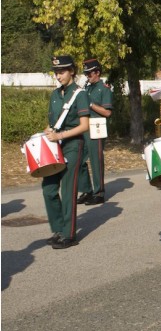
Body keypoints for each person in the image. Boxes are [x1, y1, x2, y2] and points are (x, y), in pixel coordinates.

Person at [43, 56, 90, 249]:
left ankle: (69, 235)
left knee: (68, 189)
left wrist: (60, 134)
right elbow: (53, 122)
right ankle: (58, 228)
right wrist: (47, 132)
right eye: (56, 72)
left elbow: (84, 126)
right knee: (48, 188)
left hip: (73, 144)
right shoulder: (55, 94)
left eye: (62, 71)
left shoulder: (80, 94)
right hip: (56, 145)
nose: (58, 75)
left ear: (72, 71)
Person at [76, 59, 113, 206]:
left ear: (97, 72)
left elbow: (107, 112)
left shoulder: (104, 89)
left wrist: (90, 104)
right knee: (79, 159)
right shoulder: (87, 87)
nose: (87, 76)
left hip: (96, 127)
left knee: (96, 161)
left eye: (89, 73)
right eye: (85, 73)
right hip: (84, 127)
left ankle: (99, 193)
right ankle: (87, 190)